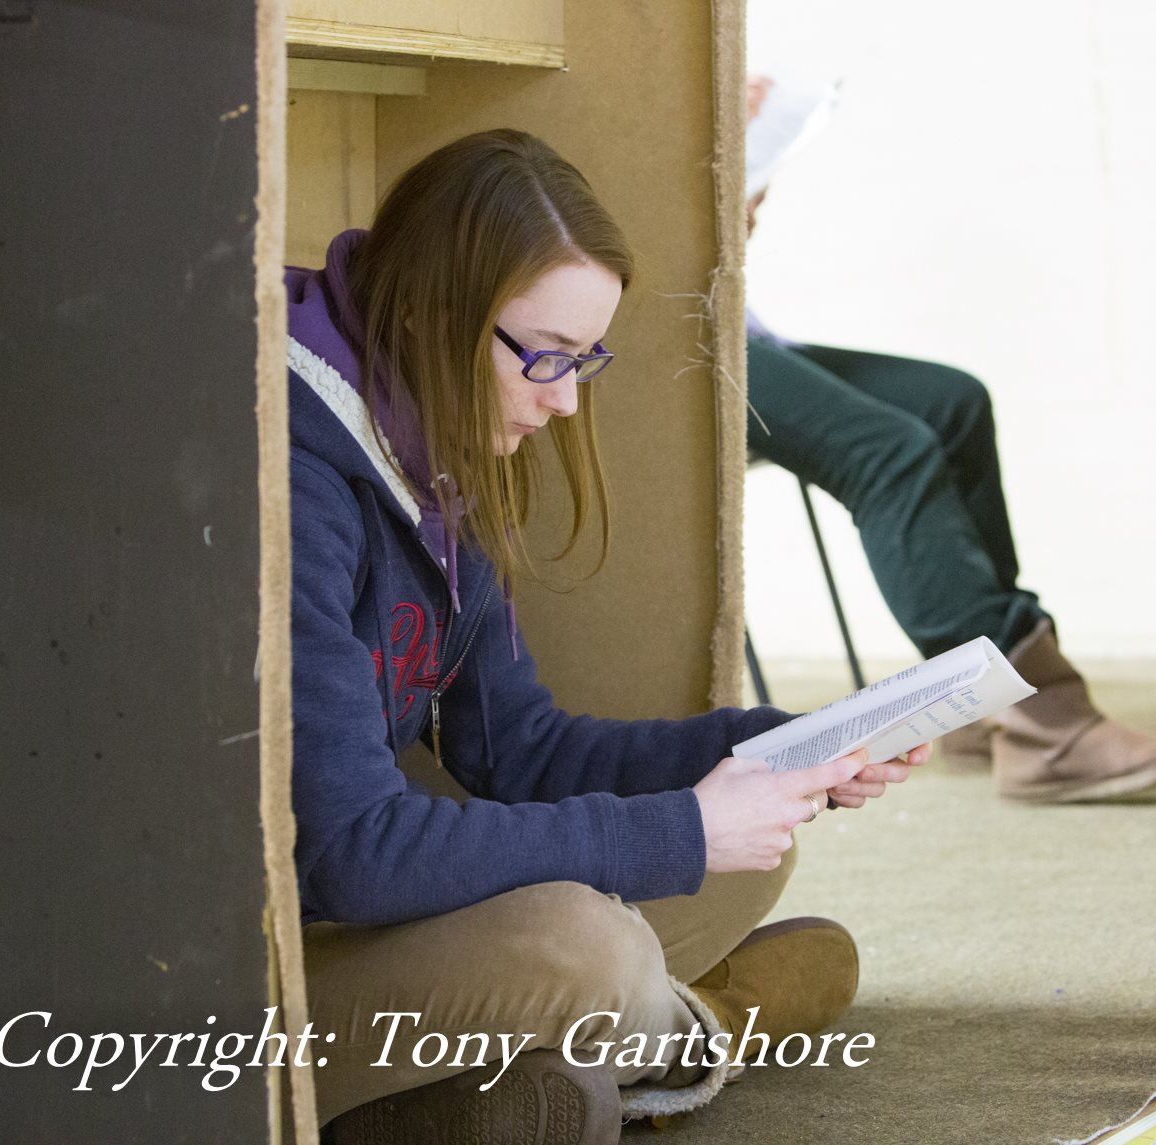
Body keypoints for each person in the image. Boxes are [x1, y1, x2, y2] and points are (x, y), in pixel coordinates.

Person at [284, 129, 930, 1145]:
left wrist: (773, 747)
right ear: (429, 313)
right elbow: (352, 853)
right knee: (589, 945)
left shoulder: (430, 434)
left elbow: (520, 750)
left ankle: (535, 1076)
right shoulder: (291, 476)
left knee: (746, 850)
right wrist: (682, 827)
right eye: (545, 356)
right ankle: (699, 1028)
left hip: (352, 922)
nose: (564, 399)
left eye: (584, 359)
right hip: (244, 977)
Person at [745, 76, 1156, 803]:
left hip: (735, 329)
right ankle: (1045, 726)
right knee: (887, 451)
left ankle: (982, 708)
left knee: (952, 402)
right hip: (664, 350)